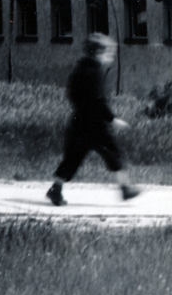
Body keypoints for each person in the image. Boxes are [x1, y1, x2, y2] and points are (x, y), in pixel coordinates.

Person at [46, 32, 141, 206]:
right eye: (109, 53)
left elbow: (71, 94)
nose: (111, 57)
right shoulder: (95, 72)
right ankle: (125, 188)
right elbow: (99, 101)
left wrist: (81, 108)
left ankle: (56, 189)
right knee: (113, 153)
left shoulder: (78, 69)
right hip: (95, 124)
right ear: (98, 53)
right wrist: (112, 119)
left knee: (73, 158)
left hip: (78, 121)